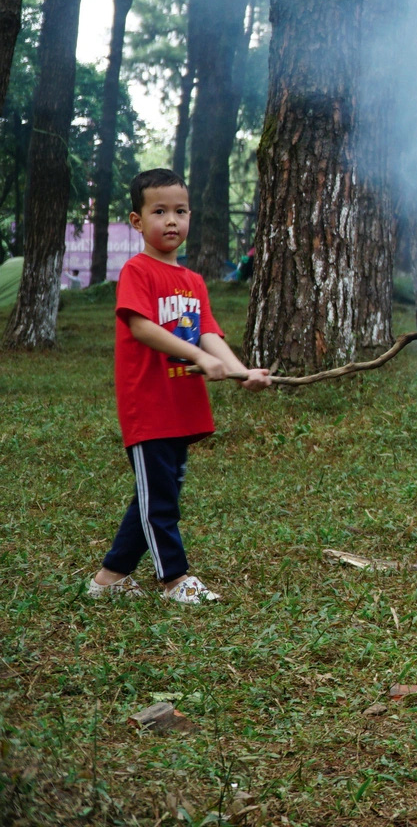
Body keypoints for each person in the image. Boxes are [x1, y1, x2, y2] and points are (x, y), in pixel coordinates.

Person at [88, 168, 271, 604]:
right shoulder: (138, 271)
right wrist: (198, 357)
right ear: (137, 221)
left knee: (156, 496)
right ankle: (174, 579)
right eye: (160, 211)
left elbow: (208, 333)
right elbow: (141, 328)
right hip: (149, 406)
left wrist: (243, 371)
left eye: (181, 211)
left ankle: (109, 578)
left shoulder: (193, 281)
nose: (172, 221)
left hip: (180, 407)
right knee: (160, 501)